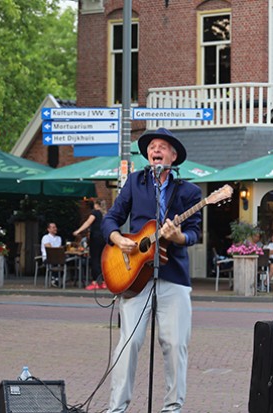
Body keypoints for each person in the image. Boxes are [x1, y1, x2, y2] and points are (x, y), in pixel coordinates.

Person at [101, 127, 202, 413]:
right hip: (134, 275)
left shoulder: (190, 192)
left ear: (173, 155)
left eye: (161, 146)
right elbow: (111, 219)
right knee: (128, 343)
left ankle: (172, 408)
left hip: (174, 277)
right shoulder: (135, 182)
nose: (154, 149)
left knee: (175, 345)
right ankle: (116, 408)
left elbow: (195, 234)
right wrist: (119, 239)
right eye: (151, 146)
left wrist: (178, 237)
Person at [74, 199, 108, 291]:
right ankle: (104, 282)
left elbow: (88, 223)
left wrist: (78, 230)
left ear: (96, 205)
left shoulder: (95, 213)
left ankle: (95, 282)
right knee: (102, 260)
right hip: (104, 239)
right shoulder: (105, 214)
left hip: (96, 238)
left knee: (95, 259)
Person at [41, 222, 63, 287]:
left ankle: (56, 279)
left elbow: (58, 250)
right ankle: (54, 279)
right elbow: (50, 250)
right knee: (54, 260)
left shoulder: (59, 238)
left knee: (66, 261)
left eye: (55, 227)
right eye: (53, 227)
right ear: (48, 229)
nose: (55, 229)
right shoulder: (45, 237)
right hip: (47, 258)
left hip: (57, 257)